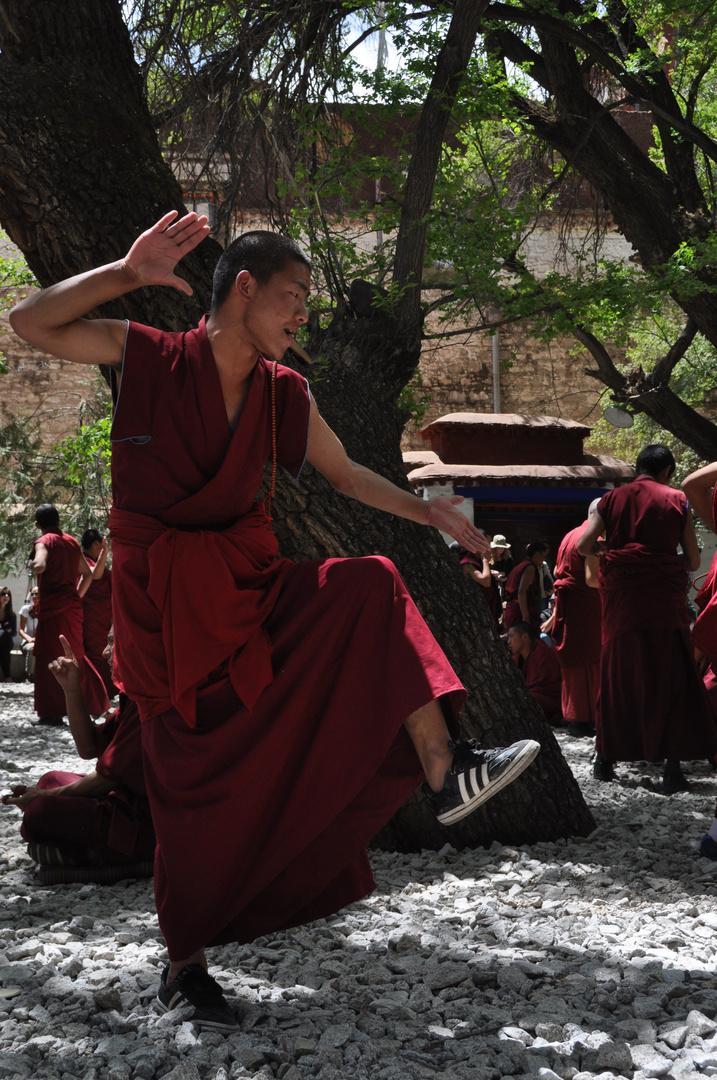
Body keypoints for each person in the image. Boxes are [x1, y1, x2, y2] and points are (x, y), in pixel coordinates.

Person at [10, 210, 540, 1033]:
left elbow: (346, 475)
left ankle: (445, 768)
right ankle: (184, 965)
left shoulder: (283, 392)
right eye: (293, 296)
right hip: (165, 616)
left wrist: (426, 512)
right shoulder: (147, 354)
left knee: (367, 582)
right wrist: (126, 269)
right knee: (184, 780)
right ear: (244, 288)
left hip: (251, 593)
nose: (302, 315)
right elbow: (29, 322)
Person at [578, 445, 717, 793]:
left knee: (618, 677)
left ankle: (605, 760)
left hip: (622, 604)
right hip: (663, 602)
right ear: (668, 470)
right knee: (670, 677)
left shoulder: (611, 500)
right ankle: (671, 767)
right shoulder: (676, 499)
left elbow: (583, 545)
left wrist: (607, 552)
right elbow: (694, 561)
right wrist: (665, 562)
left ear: (637, 469)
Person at [2, 635, 154, 882]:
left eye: (114, 642)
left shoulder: (153, 698)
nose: (105, 652)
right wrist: (71, 688)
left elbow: (108, 777)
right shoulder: (133, 695)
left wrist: (42, 797)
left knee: (39, 812)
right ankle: (76, 847)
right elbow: (88, 748)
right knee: (51, 778)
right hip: (125, 801)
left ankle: (94, 853)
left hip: (147, 821)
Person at [29, 505, 110, 725]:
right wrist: (76, 597)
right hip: (71, 608)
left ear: (38, 525)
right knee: (76, 656)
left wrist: (34, 564)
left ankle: (51, 713)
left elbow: (40, 563)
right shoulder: (72, 542)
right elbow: (88, 574)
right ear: (59, 520)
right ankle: (93, 705)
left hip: (53, 609)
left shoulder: (44, 541)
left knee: (48, 656)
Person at [551, 511, 602, 737]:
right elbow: (592, 580)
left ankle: (574, 718)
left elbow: (555, 571)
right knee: (591, 660)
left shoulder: (569, 535)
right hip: (587, 606)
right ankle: (587, 717)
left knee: (573, 659)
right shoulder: (594, 538)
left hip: (570, 605)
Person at [80, 529, 116, 698]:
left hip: (103, 617)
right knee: (96, 654)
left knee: (105, 652)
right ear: (96, 544)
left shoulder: (96, 561)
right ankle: (98, 695)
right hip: (92, 617)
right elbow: (95, 576)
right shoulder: (84, 561)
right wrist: (105, 553)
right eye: (103, 542)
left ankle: (105, 693)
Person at [506, 621, 563, 725]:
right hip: (534, 694)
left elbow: (547, 685)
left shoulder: (542, 653)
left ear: (525, 637)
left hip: (553, 699)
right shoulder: (518, 657)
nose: (508, 641)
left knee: (529, 699)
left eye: (512, 636)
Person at [503, 541, 549, 631]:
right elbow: (522, 592)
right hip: (519, 610)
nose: (544, 560)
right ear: (537, 554)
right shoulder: (529, 568)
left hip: (514, 608)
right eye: (543, 556)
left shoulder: (521, 566)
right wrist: (526, 616)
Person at [460, 548, 502, 625]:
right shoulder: (467, 564)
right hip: (476, 611)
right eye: (487, 546)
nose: (491, 550)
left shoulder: (478, 561)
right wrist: (485, 561)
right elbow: (485, 582)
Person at [18, 586, 39, 679]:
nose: (34, 596)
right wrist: (29, 639)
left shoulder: (46, 609)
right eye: (32, 594)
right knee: (32, 648)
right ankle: (29, 674)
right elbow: (21, 630)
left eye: (37, 593)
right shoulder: (26, 609)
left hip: (41, 641)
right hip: (28, 642)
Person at [0, 588, 16, 682]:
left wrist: (9, 630)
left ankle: (7, 676)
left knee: (4, 634)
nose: (6, 596)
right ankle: (7, 676)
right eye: (3, 594)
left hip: (7, 640)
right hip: (4, 644)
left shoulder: (11, 615)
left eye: (8, 594)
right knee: (4, 651)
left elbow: (14, 634)